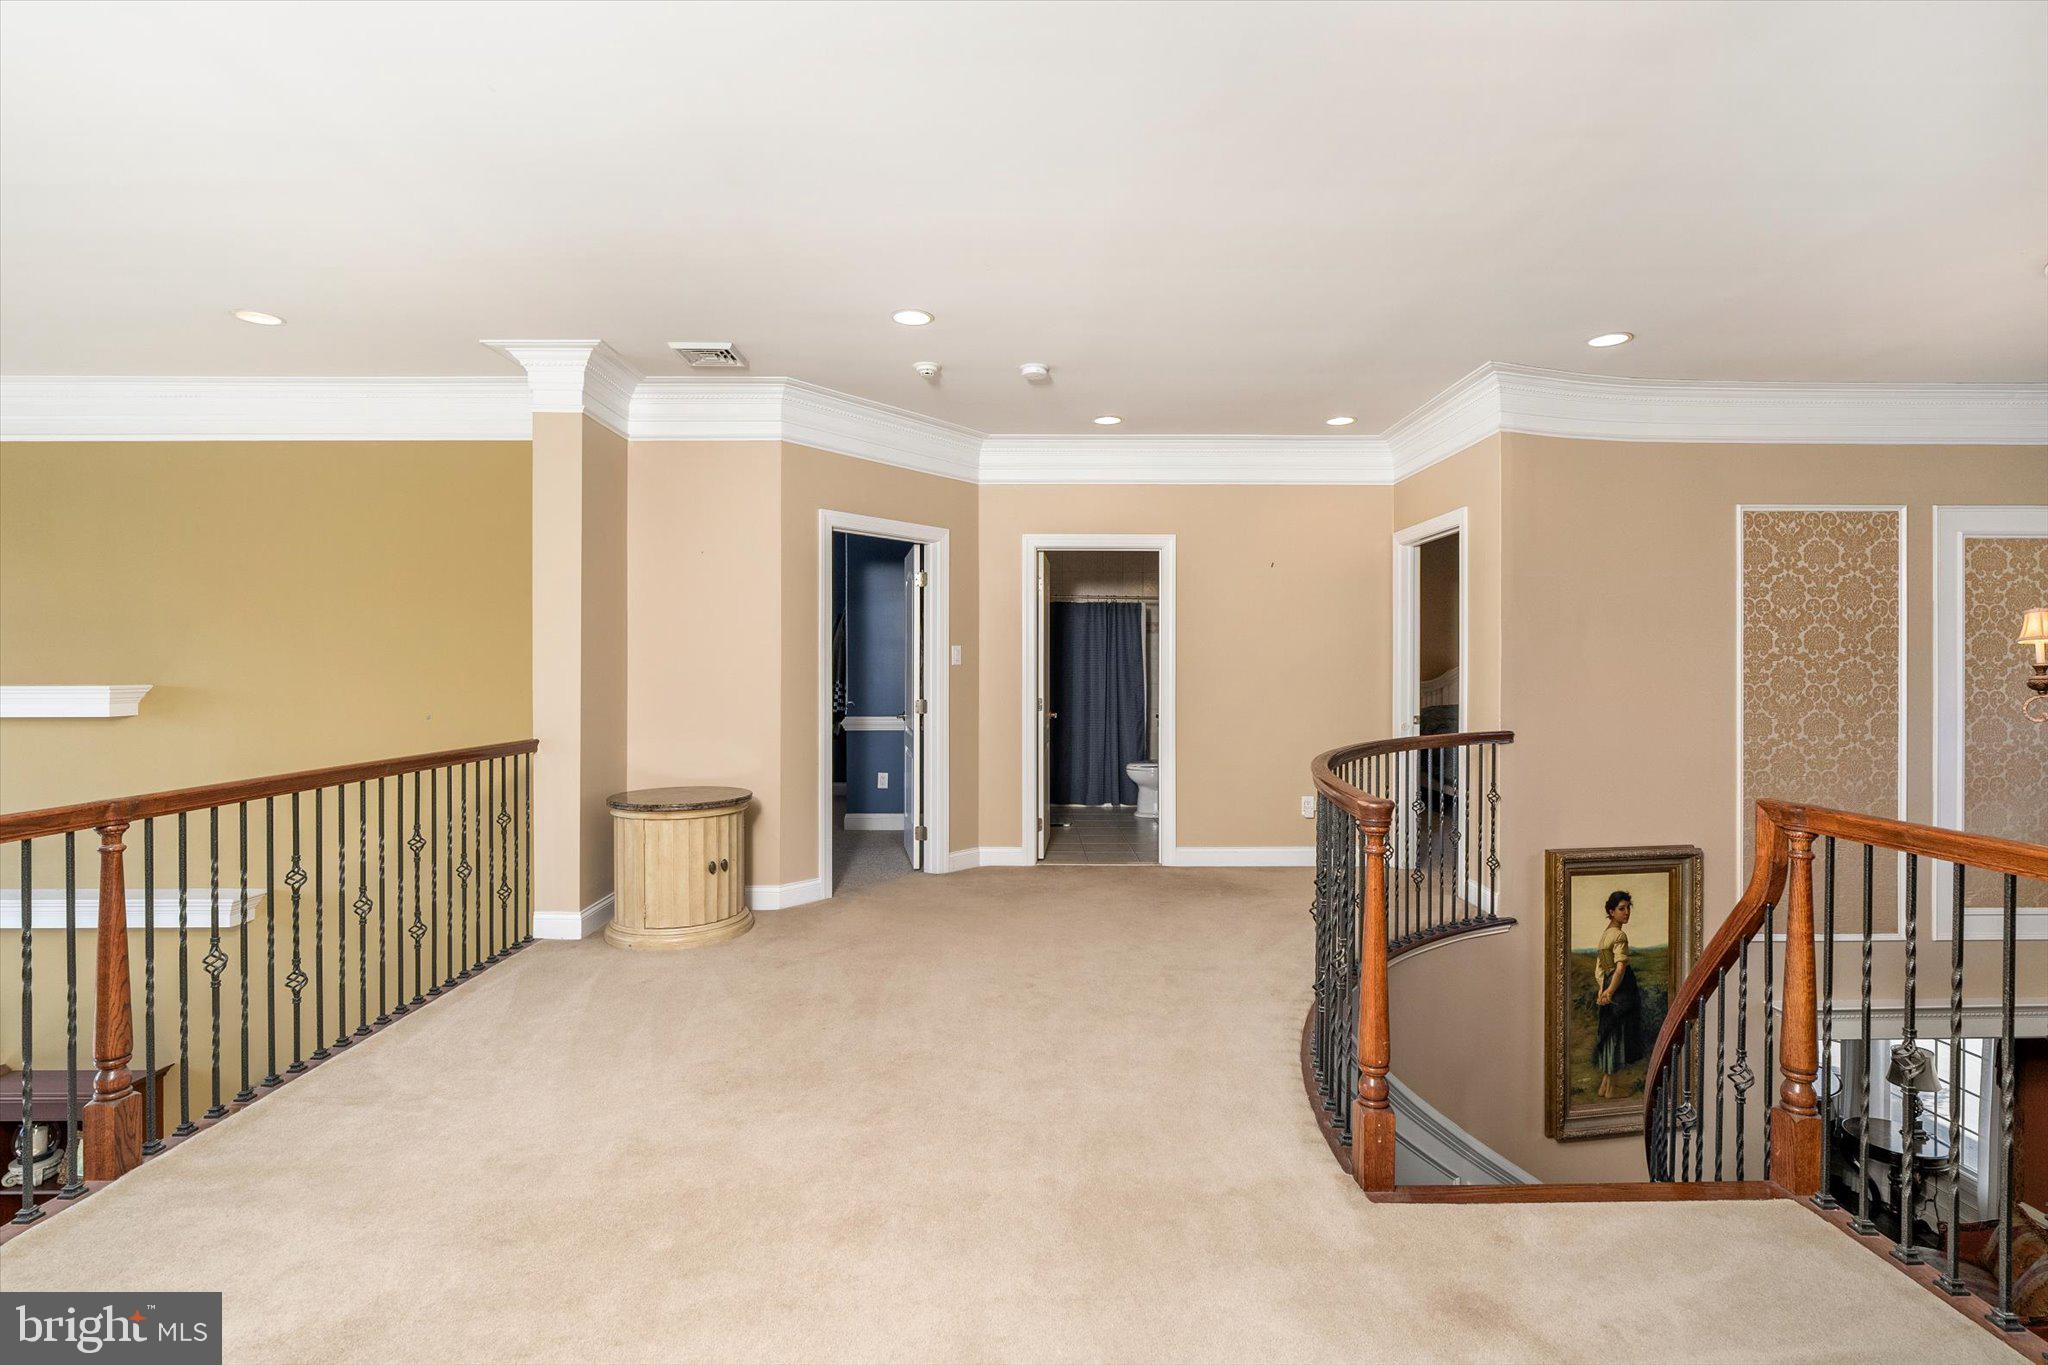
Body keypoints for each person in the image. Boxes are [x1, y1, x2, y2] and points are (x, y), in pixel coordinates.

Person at [1591, 889, 1645, 1098]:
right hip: (1621, 987)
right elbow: (1620, 968)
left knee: (1610, 1031)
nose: (1627, 912)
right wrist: (1610, 991)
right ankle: (1611, 1087)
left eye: (1628, 908)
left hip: (1609, 983)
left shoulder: (1606, 933)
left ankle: (1605, 1085)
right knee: (1617, 1033)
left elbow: (1600, 968)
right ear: (1611, 911)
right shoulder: (1619, 934)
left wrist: (1602, 988)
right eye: (1622, 909)